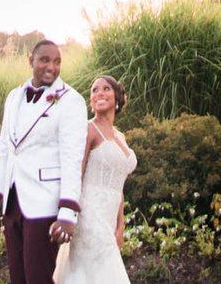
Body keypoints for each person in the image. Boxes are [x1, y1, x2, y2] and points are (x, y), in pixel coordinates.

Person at [0, 40, 86, 284]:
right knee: (18, 279)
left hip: (45, 204)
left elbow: (72, 159)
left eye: (57, 61)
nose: (52, 66)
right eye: (44, 60)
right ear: (31, 61)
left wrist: (68, 212)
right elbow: (5, 150)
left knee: (38, 278)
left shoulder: (71, 101)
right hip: (13, 203)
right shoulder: (13, 97)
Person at [57, 74, 137, 284]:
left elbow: (118, 187)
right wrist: (69, 215)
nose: (99, 93)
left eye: (105, 89)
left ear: (117, 97)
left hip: (108, 218)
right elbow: (76, 174)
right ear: (91, 101)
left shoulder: (121, 137)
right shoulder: (88, 129)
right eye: (94, 90)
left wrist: (120, 227)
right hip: (88, 215)